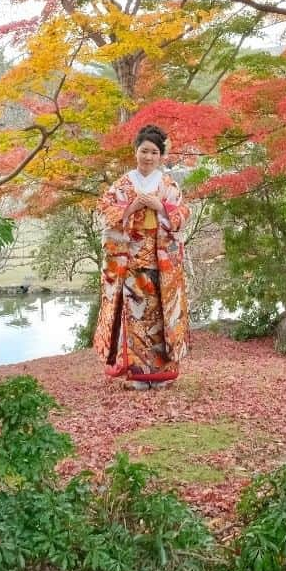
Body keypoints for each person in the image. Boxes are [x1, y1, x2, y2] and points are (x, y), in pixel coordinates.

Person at [93, 124, 190, 390]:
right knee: (134, 318)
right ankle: (136, 376)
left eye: (154, 153)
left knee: (159, 319)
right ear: (136, 151)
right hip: (130, 263)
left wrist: (161, 207)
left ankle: (160, 376)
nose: (148, 157)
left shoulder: (168, 185)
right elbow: (103, 212)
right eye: (144, 151)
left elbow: (183, 214)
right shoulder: (122, 185)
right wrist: (131, 206)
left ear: (161, 157)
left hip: (160, 264)